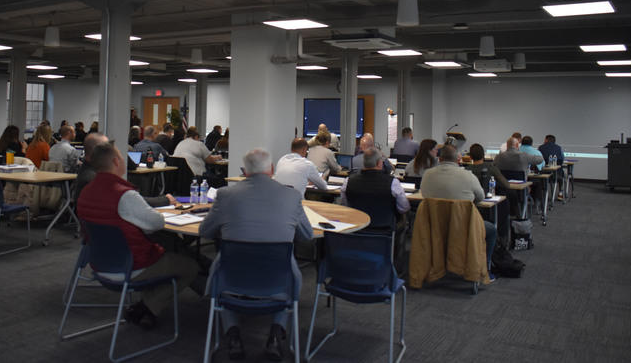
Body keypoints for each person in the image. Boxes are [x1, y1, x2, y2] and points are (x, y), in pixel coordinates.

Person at [199, 147, 313, 361]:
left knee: (219, 267)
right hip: (278, 277)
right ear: (271, 169)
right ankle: (275, 335)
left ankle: (233, 334)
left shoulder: (225, 195)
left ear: (244, 171)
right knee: (291, 268)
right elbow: (306, 235)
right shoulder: (292, 196)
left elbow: (205, 232)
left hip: (232, 276)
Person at [77, 142, 199, 329]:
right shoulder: (124, 195)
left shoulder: (86, 192)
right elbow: (156, 223)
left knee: (163, 246)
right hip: (132, 265)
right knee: (190, 266)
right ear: (116, 161)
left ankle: (146, 308)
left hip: (101, 264)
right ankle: (145, 307)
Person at [420, 143, 497, 281]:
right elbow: (480, 197)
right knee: (491, 230)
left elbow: (424, 194)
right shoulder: (469, 176)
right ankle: (484, 269)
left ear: (440, 159)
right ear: (457, 160)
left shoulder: (427, 175)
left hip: (434, 226)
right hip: (462, 227)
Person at [340, 147, 410, 227]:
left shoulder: (348, 181)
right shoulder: (393, 183)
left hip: (357, 227)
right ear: (379, 163)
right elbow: (404, 207)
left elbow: (345, 204)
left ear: (364, 162)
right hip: (385, 228)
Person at [465, 143, 512, 236]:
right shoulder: (491, 168)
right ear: (483, 155)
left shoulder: (466, 170)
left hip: (471, 205)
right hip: (489, 205)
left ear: (470, 157)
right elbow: (507, 185)